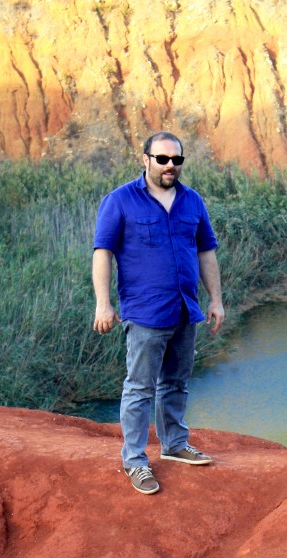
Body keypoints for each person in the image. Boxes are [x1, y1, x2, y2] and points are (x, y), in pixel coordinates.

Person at [93, 131, 225, 494]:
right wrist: (103, 303)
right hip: (145, 312)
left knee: (176, 383)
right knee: (139, 388)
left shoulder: (192, 201)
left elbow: (206, 252)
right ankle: (135, 461)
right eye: (163, 159)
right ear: (145, 159)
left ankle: (174, 444)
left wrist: (215, 299)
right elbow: (102, 252)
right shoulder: (120, 201)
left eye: (176, 160)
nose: (170, 166)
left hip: (185, 309)